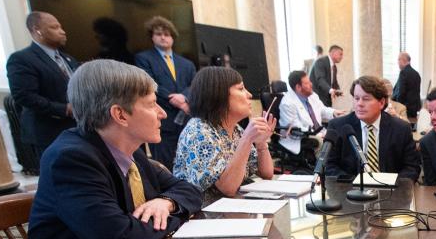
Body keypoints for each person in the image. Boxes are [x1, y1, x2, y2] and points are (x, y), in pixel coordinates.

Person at [25, 59, 201, 239]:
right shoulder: (71, 159)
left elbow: (190, 190)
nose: (162, 113)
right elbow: (120, 238)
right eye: (151, 104)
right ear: (120, 115)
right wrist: (175, 217)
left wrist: (166, 203)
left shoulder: (128, 149)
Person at [172, 66, 276, 198]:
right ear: (218, 93)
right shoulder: (198, 131)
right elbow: (227, 189)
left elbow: (266, 173)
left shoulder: (236, 129)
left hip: (231, 209)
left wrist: (261, 143)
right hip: (203, 213)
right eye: (241, 88)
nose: (249, 95)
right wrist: (247, 139)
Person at [5, 11, 79, 161]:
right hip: (48, 133)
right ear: (37, 30)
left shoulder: (68, 59)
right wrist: (64, 109)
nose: (62, 32)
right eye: (55, 27)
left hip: (75, 130)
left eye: (61, 27)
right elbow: (24, 96)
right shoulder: (22, 59)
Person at [324, 75, 421, 181]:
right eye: (356, 98)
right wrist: (356, 183)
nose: (359, 104)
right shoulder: (338, 126)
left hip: (390, 192)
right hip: (350, 191)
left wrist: (391, 184)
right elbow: (329, 166)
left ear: (381, 102)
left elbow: (412, 168)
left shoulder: (401, 129)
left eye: (366, 99)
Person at [133, 16, 196, 168]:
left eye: (167, 34)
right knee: (163, 167)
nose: (163, 37)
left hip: (186, 121)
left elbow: (194, 84)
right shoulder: (143, 58)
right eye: (158, 34)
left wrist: (183, 97)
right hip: (160, 122)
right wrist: (171, 97)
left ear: (172, 37)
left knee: (188, 164)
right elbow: (147, 82)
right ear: (152, 37)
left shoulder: (187, 63)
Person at [278, 69, 338, 136]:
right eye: (307, 83)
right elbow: (296, 129)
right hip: (301, 140)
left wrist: (333, 112)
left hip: (318, 134)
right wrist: (318, 135)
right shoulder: (287, 103)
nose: (311, 84)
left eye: (310, 82)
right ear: (298, 87)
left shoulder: (312, 95)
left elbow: (321, 109)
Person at [391, 51, 422, 120]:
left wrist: (397, 107)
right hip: (415, 109)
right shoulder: (416, 74)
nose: (398, 62)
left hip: (405, 109)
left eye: (398, 59)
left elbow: (401, 92)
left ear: (403, 60)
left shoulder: (403, 72)